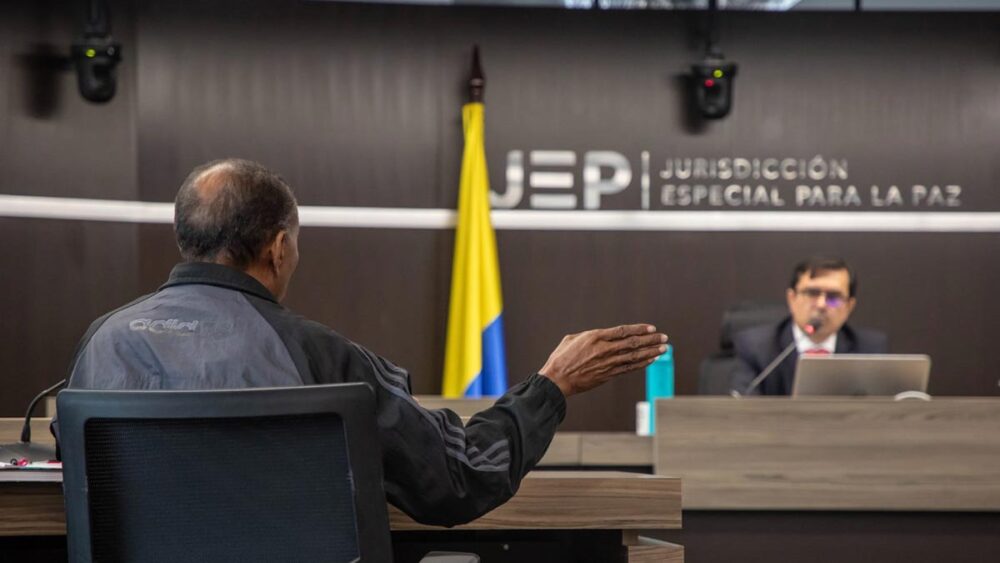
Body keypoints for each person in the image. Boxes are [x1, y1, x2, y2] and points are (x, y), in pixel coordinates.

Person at [57, 158, 668, 526]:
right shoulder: (318, 359)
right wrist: (552, 386)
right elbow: (457, 477)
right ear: (278, 247)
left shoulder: (102, 344)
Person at [730, 256, 887, 396]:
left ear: (849, 306)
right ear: (792, 299)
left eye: (833, 297)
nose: (821, 304)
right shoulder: (756, 347)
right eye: (812, 293)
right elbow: (744, 410)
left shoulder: (869, 349)